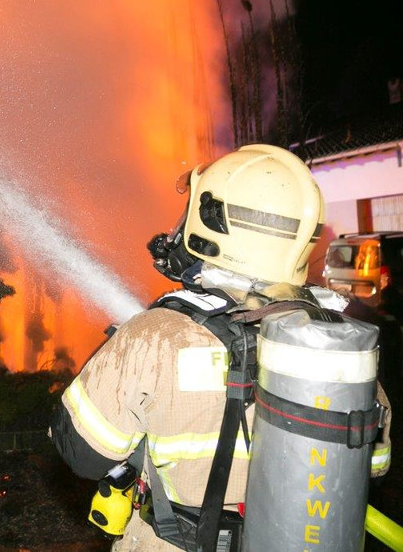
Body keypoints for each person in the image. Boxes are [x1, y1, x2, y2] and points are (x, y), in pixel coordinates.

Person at [50, 144, 392, 551]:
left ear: (214, 222)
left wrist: (116, 355)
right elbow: (373, 465)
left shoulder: (156, 335)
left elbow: (82, 454)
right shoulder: (338, 343)